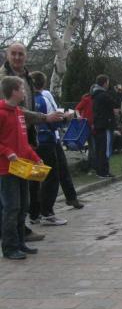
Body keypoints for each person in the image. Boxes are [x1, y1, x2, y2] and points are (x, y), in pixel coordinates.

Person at [2, 43, 63, 243]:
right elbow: (12, 108)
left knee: (24, 191)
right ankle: (12, 239)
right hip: (9, 144)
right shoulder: (4, 79)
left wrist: (32, 147)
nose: (17, 57)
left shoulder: (26, 76)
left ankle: (22, 232)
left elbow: (22, 110)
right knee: (11, 199)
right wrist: (44, 118)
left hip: (25, 135)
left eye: (21, 54)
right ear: (7, 55)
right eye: (14, 54)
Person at [0, 76, 43, 260]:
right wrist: (7, 152)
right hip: (6, 169)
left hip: (22, 167)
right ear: (14, 91)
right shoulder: (2, 113)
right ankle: (9, 247)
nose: (25, 92)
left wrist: (35, 158)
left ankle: (20, 242)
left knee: (23, 206)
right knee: (11, 208)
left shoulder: (18, 112)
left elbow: (24, 142)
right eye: (22, 89)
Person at [30, 71, 80, 225]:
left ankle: (34, 213)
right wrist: (66, 118)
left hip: (34, 143)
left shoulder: (28, 100)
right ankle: (47, 212)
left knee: (35, 177)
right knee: (51, 177)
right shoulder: (43, 99)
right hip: (47, 141)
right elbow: (53, 122)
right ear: (43, 83)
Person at [92, 75, 117, 179]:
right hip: (105, 124)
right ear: (105, 83)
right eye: (108, 82)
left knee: (99, 148)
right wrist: (117, 92)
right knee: (105, 149)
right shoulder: (103, 95)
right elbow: (115, 103)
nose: (108, 84)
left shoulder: (95, 94)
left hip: (98, 124)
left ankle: (99, 170)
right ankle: (104, 171)